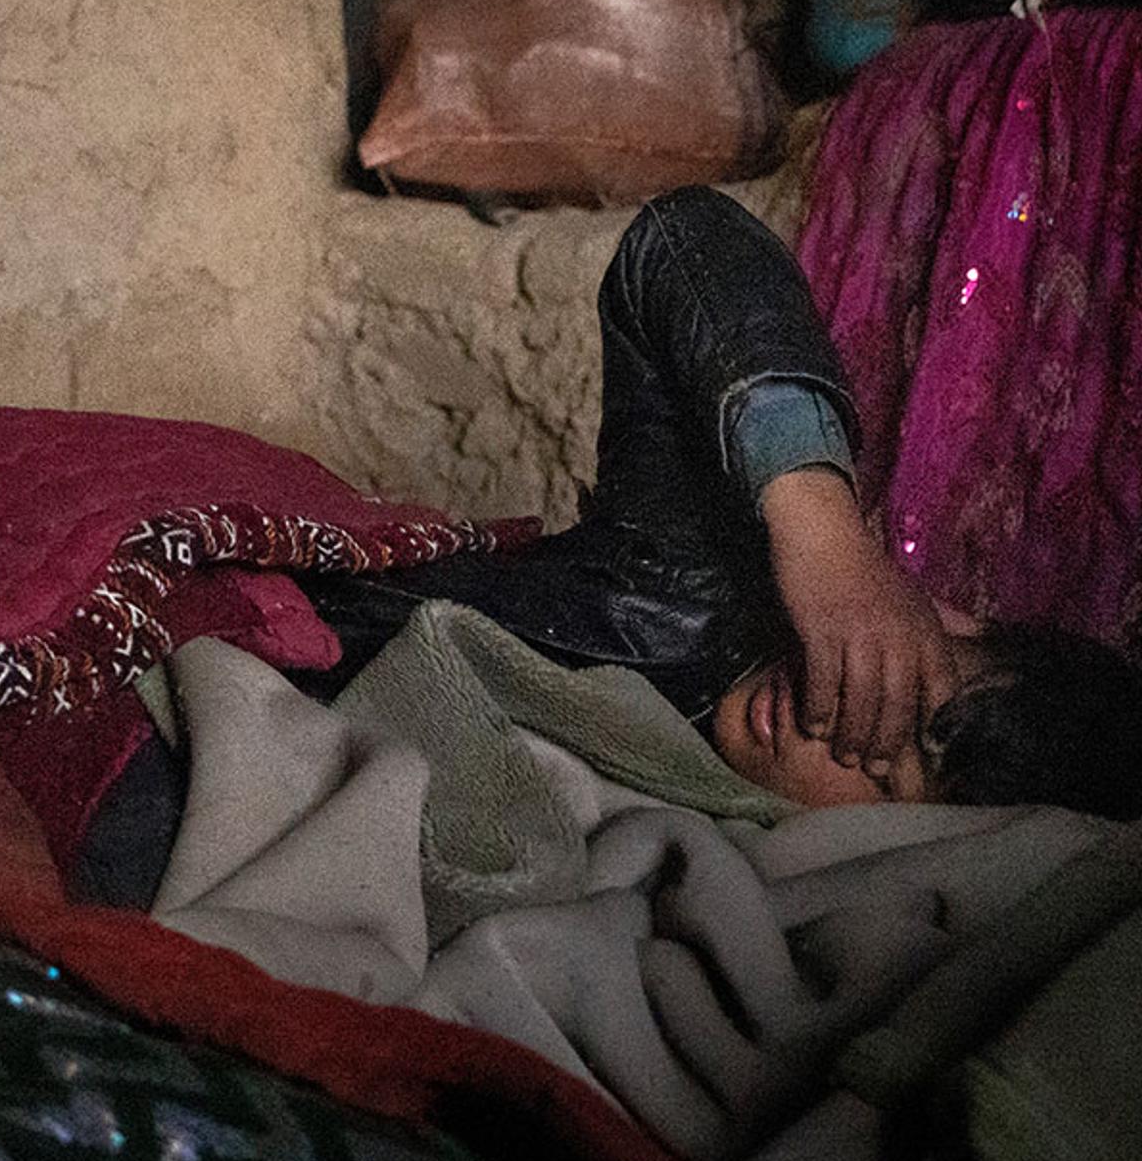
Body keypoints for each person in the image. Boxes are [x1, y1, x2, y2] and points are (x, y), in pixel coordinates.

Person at [296, 184, 1142, 814]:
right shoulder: (684, 594)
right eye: (895, 696)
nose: (832, 723)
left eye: (883, 780)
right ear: (947, 618)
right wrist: (822, 528)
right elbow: (683, 237)